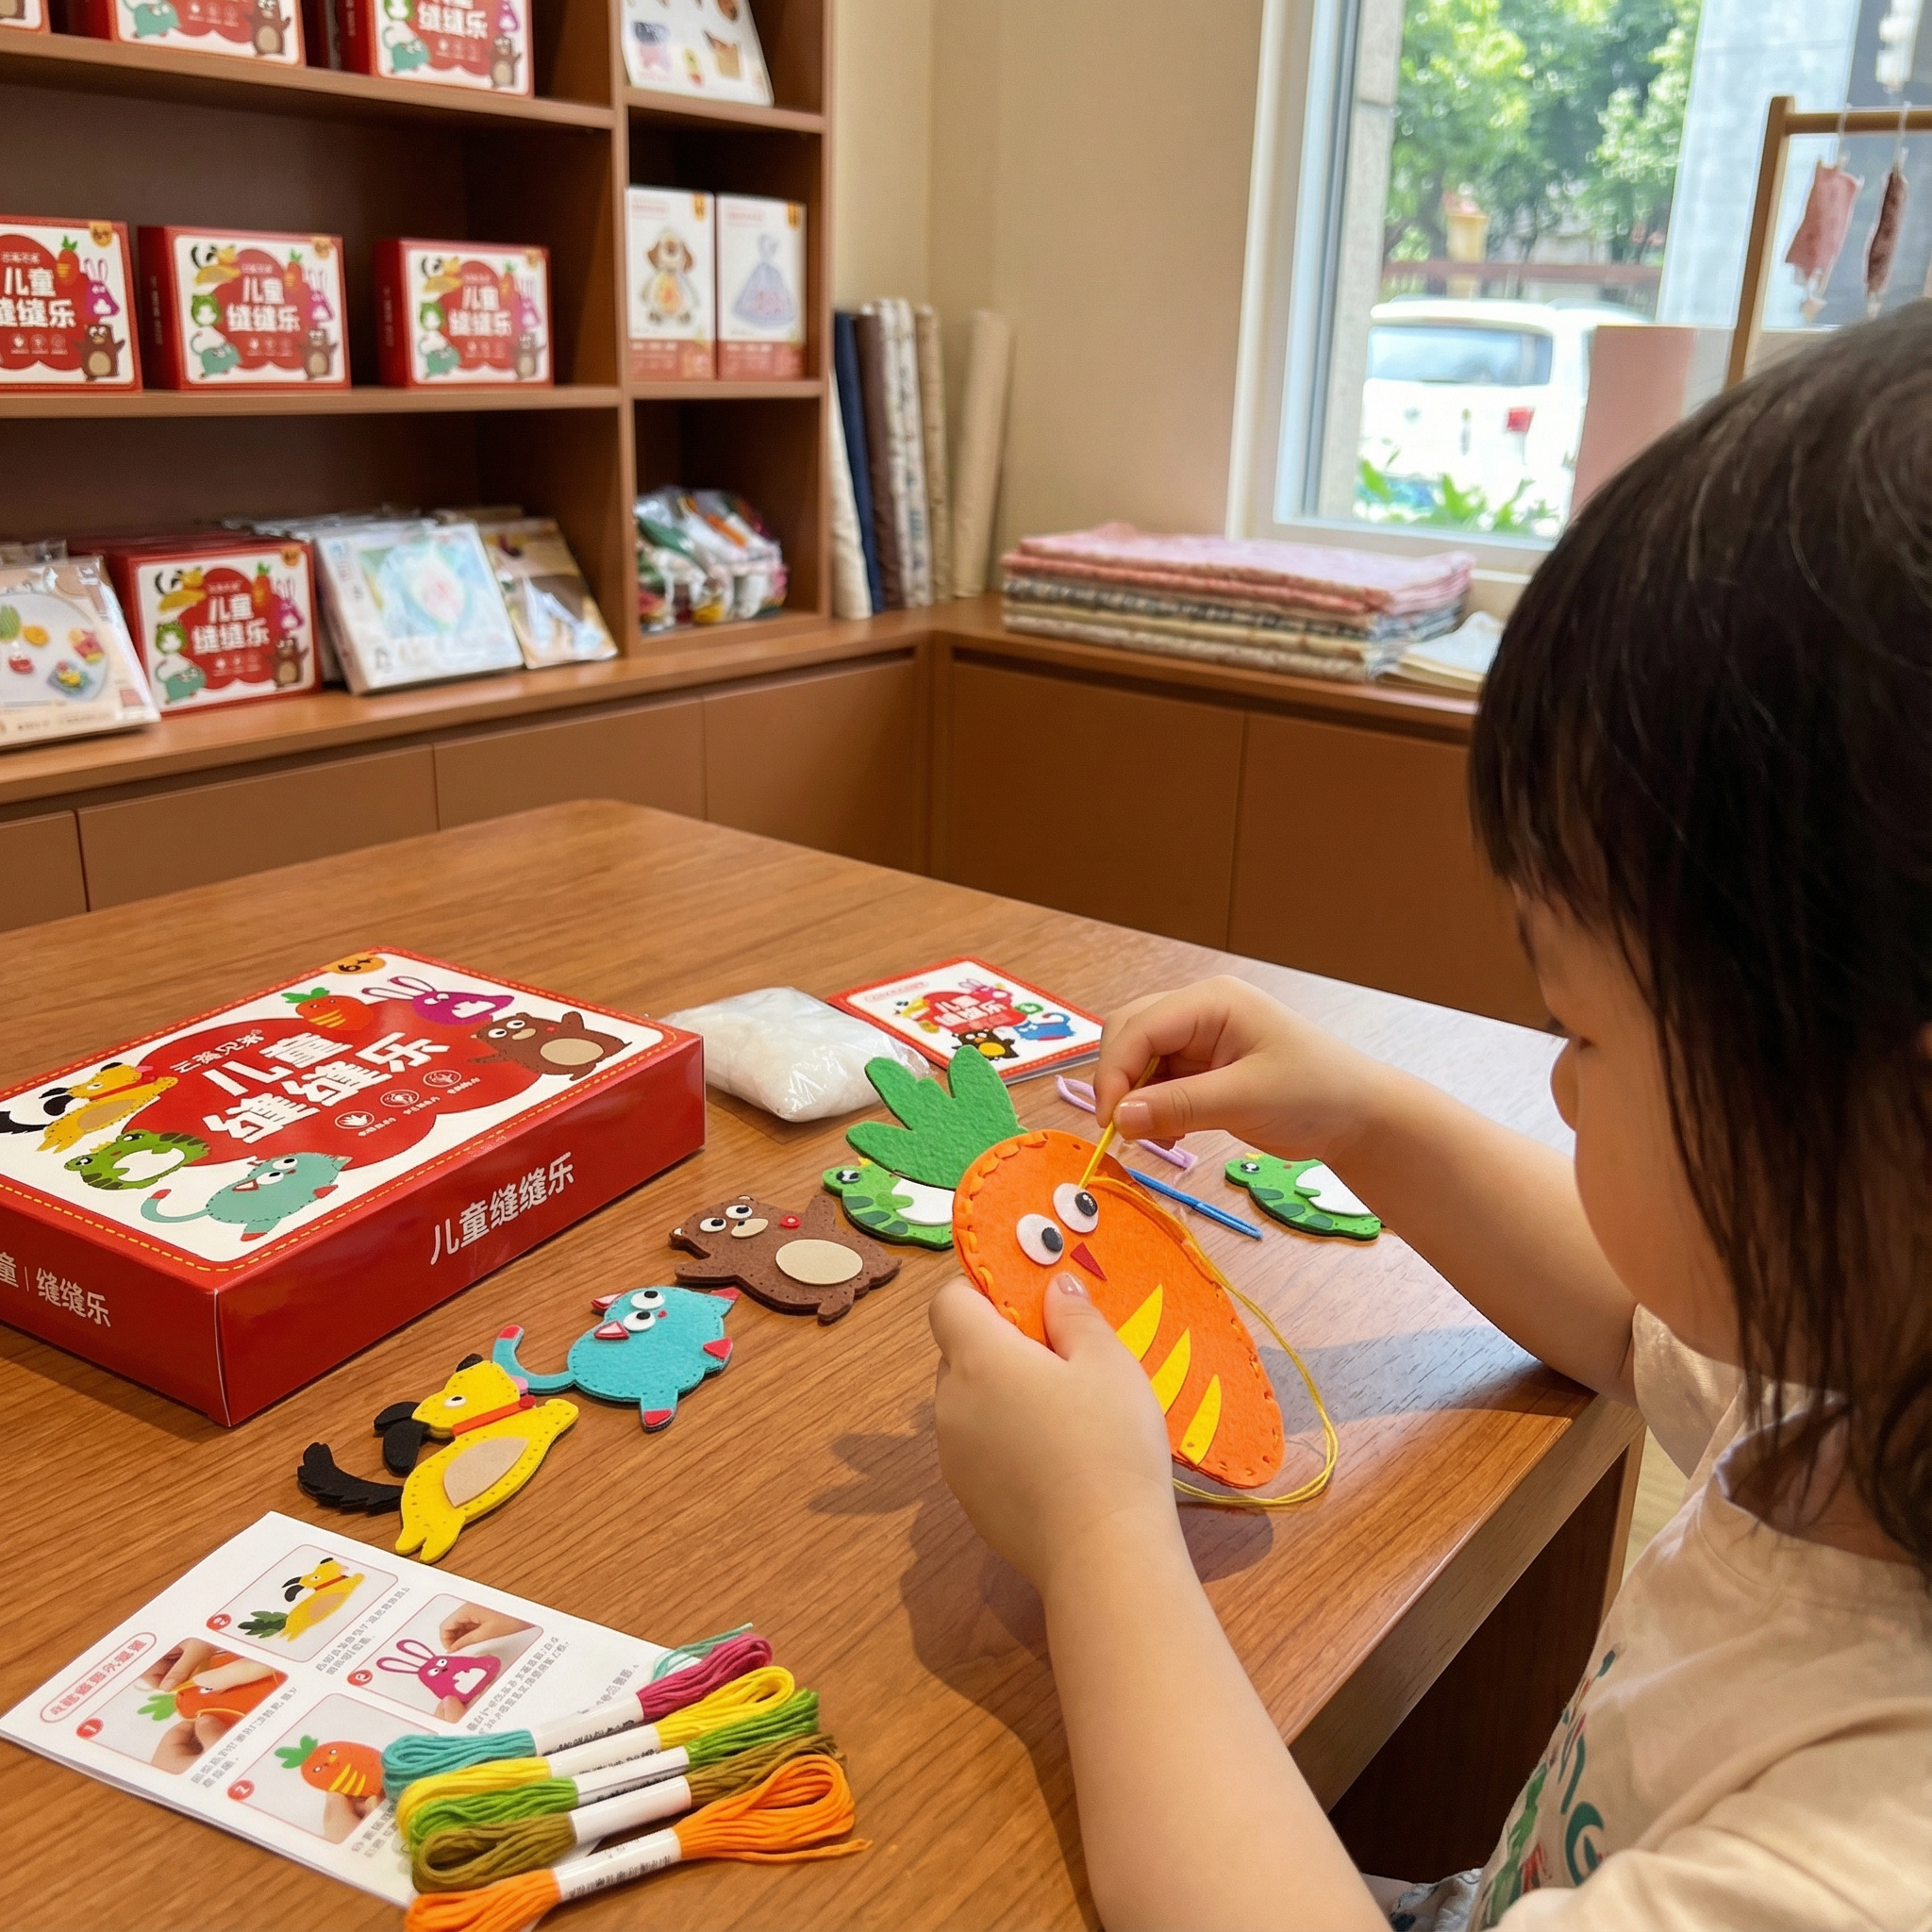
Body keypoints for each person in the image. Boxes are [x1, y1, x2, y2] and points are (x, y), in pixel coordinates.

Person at [928, 305, 1932, 1929]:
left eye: (1582, 1030)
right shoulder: (1870, 1387)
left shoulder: (1865, 1869)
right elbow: (1628, 1319)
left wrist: (1104, 1536)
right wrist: (1362, 1118)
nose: (1552, 1078)